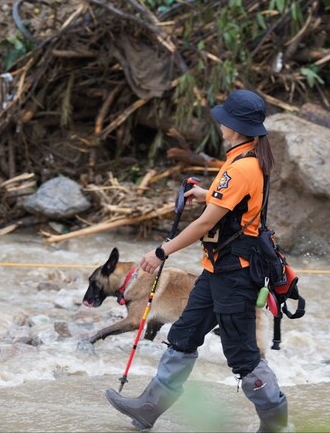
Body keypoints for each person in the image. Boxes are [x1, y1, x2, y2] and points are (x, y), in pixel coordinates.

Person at [105, 89, 288, 432]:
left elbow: (206, 222)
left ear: (234, 126)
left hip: (235, 274)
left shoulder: (242, 166)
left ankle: (276, 421)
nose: (219, 124)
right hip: (215, 270)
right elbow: (232, 204)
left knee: (243, 356)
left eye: (224, 120)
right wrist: (207, 194)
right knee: (184, 335)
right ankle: (148, 407)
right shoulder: (243, 159)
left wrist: (161, 252)